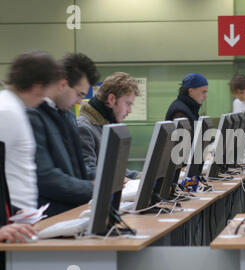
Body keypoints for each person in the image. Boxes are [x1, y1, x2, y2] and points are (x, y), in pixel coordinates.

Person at [27, 53, 100, 217]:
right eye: (79, 94)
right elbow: (45, 177)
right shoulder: (33, 116)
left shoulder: (66, 115)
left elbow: (78, 166)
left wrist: (103, 178)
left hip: (73, 212)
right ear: (63, 84)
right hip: (48, 218)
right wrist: (93, 188)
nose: (80, 101)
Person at [0, 51, 62, 210]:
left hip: (21, 214)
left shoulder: (15, 108)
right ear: (38, 86)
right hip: (13, 214)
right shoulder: (7, 112)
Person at [77, 72, 140, 179]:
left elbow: (116, 169)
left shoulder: (107, 126)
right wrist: (120, 180)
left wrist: (142, 177)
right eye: (127, 104)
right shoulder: (83, 128)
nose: (130, 111)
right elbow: (89, 172)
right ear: (111, 99)